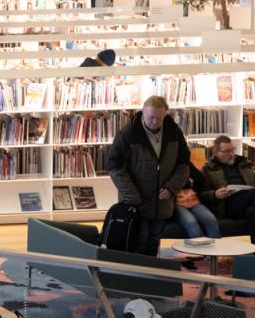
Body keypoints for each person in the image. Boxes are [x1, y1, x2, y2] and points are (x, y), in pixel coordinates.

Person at [107, 95, 189, 256]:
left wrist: (172, 188)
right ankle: (136, 275)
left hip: (162, 202)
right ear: (143, 112)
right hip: (137, 202)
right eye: (151, 117)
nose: (155, 122)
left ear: (165, 115)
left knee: (154, 239)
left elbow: (184, 164)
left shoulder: (173, 133)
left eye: (159, 118)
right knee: (138, 240)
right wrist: (132, 196)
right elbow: (114, 167)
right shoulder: (128, 134)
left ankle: (151, 274)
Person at [199, 135, 255, 242]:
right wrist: (215, 194)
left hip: (248, 200)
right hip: (227, 203)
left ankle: (251, 252)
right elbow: (201, 195)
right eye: (226, 151)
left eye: (232, 150)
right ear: (215, 152)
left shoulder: (244, 164)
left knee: (252, 212)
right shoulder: (208, 169)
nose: (231, 154)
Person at [174, 162, 222, 241]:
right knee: (191, 222)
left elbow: (200, 179)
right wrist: (187, 182)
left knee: (211, 220)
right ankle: (200, 251)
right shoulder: (167, 166)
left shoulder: (186, 163)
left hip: (193, 200)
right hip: (176, 203)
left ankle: (216, 251)